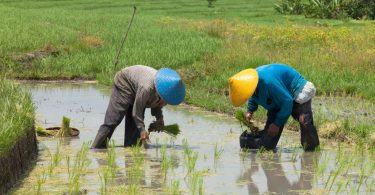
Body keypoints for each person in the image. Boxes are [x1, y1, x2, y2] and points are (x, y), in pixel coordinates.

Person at [228, 63, 319, 151]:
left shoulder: (268, 82)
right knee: (267, 144)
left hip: (297, 90)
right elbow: (252, 95)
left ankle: (312, 150)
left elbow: (287, 101)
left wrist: (277, 124)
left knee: (304, 122)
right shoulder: (251, 84)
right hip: (278, 97)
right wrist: (250, 111)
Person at [91, 65, 185, 148]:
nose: (164, 105)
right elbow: (137, 112)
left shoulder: (161, 89)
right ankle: (96, 148)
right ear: (160, 94)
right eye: (165, 102)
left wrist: (159, 118)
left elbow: (156, 104)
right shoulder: (147, 88)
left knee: (135, 128)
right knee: (113, 120)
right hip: (125, 82)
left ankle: (130, 149)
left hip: (138, 88)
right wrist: (143, 130)